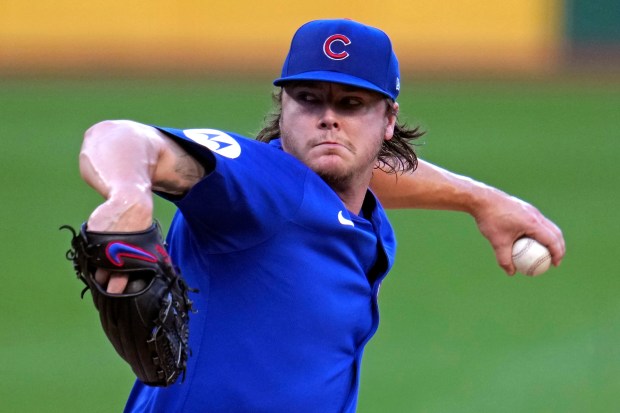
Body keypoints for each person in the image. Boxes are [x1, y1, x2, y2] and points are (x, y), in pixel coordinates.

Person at [78, 19, 564, 413]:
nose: (328, 117)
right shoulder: (257, 185)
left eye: (351, 103)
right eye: (308, 99)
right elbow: (121, 136)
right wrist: (127, 194)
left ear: (388, 118)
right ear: (283, 106)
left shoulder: (350, 212)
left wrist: (481, 200)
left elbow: (357, 173)